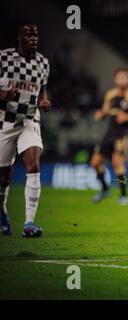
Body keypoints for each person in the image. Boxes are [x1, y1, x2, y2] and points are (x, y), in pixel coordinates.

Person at [0, 23, 51, 237]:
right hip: (5, 121)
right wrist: (2, 96)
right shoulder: (3, 58)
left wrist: (44, 101)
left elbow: (43, 89)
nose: (33, 38)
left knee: (33, 165)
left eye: (36, 35)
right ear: (19, 37)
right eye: (28, 35)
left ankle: (29, 223)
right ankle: (2, 215)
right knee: (4, 178)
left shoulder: (43, 62)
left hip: (30, 119)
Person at [90, 69, 128, 205]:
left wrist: (127, 117)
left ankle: (124, 195)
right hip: (109, 133)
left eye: (125, 77)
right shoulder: (110, 94)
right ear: (115, 79)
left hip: (123, 135)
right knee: (95, 162)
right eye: (120, 77)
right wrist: (101, 115)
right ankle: (105, 189)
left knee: (117, 163)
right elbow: (106, 111)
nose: (122, 80)